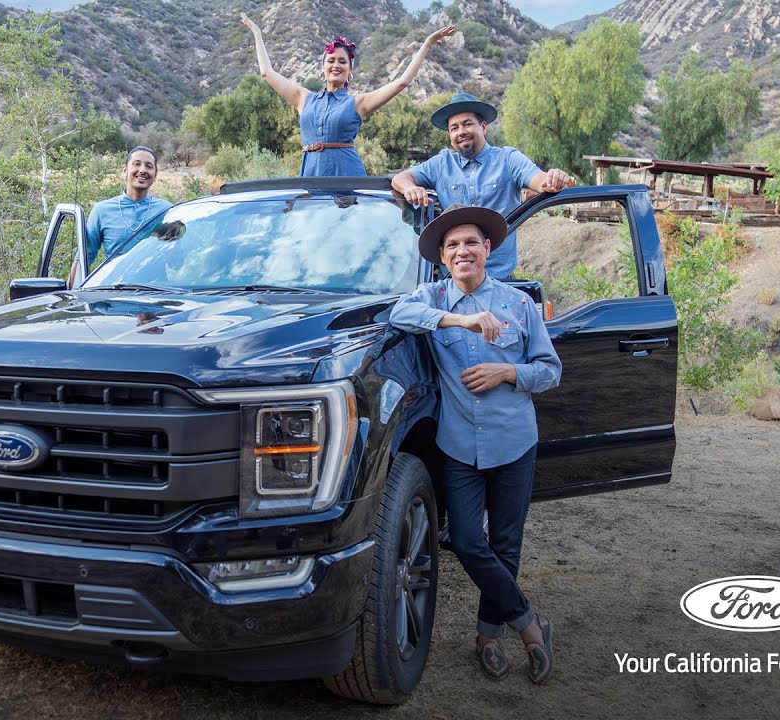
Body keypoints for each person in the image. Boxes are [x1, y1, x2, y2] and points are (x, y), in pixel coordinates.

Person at [389, 204, 562, 683]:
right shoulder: (432, 297)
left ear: (488, 249)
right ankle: (530, 621)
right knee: (466, 540)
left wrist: (509, 371)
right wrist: (458, 322)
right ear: (443, 258)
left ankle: (487, 636)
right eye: (452, 246)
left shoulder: (519, 304)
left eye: (470, 243)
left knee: (505, 543)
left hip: (514, 442)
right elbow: (398, 312)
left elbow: (550, 370)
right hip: (459, 445)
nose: (462, 251)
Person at [240, 13, 454, 177]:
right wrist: (257, 33)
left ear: (350, 70)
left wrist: (426, 44)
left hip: (347, 176)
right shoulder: (303, 98)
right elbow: (266, 73)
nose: (336, 65)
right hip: (310, 175)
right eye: (331, 60)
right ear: (322, 67)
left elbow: (402, 82)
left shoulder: (358, 103)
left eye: (343, 62)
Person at [391, 93, 577, 278]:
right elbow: (400, 179)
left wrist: (554, 179)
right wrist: (410, 188)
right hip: (453, 280)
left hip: (500, 280)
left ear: (483, 127)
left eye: (467, 124)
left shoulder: (508, 159)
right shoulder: (441, 163)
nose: (461, 131)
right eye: (454, 128)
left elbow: (540, 181)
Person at [67, 146, 172, 286]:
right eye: (136, 164)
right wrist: (71, 297)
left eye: (149, 166)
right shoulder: (102, 210)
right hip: (113, 295)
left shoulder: (167, 210)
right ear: (125, 170)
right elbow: (84, 258)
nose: (142, 170)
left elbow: (177, 261)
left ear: (155, 174)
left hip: (157, 295)